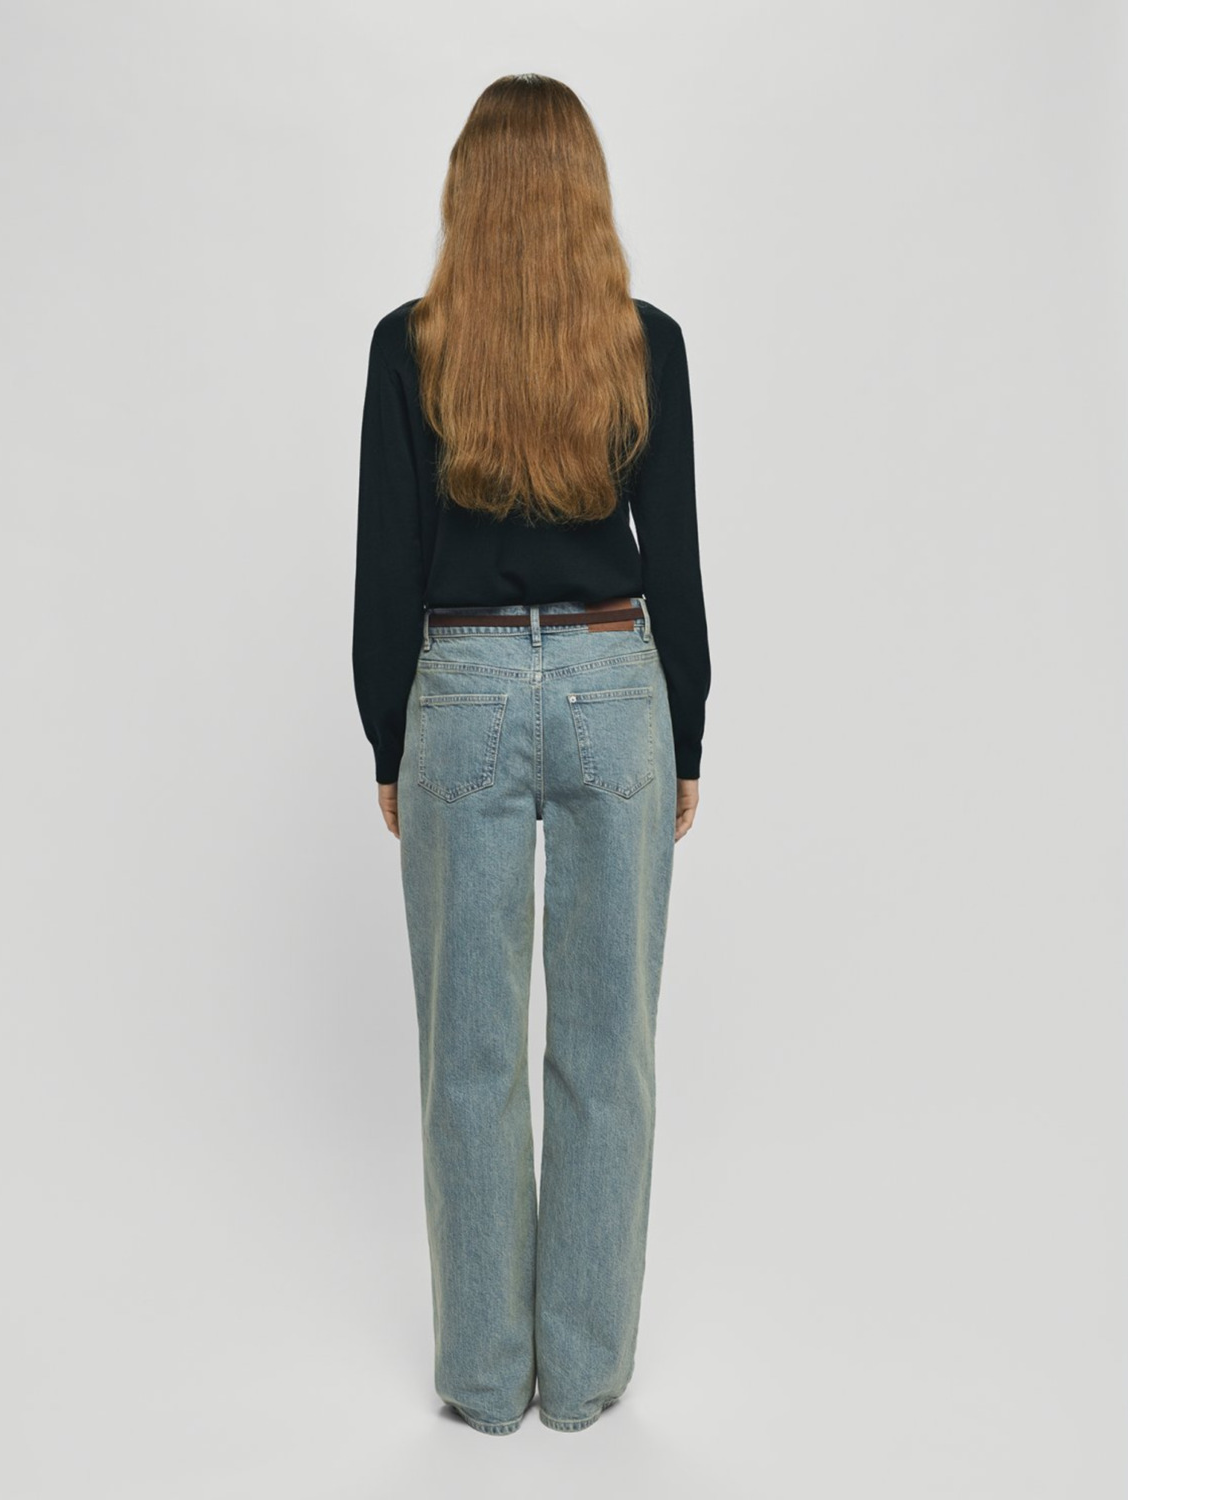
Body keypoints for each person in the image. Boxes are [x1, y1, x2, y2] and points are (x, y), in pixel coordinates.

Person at [350, 73, 712, 1436]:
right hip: (619, 681)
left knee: (469, 1054)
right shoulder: (644, 344)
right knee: (610, 1049)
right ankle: (587, 1378)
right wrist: (690, 727)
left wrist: (390, 732)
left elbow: (389, 564)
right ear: (586, 197)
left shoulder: (412, 348)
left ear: (468, 196)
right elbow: (674, 556)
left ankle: (486, 1380)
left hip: (463, 685)